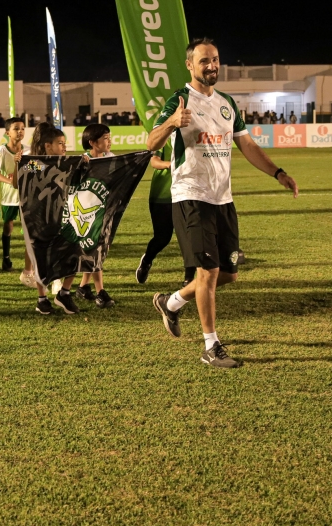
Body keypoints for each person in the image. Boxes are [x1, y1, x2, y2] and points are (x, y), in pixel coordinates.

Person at [146, 38, 298, 368]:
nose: (212, 65)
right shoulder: (179, 100)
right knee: (208, 271)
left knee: (228, 274)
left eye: (215, 59)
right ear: (190, 65)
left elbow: (248, 146)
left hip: (222, 198)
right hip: (190, 196)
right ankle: (211, 347)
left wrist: (278, 173)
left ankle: (171, 303)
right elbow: (150, 142)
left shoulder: (227, 103)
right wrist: (171, 123)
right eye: (204, 61)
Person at [23, 123, 83, 315]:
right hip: (38, 218)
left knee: (76, 249)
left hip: (62, 217)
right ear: (48, 146)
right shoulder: (35, 162)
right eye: (60, 143)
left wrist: (84, 163)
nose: (64, 147)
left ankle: (64, 293)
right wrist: (20, 163)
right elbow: (19, 181)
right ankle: (42, 299)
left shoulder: (66, 162)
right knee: (41, 258)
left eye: (64, 143)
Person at [135, 141, 198, 287]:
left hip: (188, 194)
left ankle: (188, 278)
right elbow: (154, 161)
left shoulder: (195, 136)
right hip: (163, 195)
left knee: (190, 236)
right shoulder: (165, 137)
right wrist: (171, 165)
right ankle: (147, 260)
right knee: (162, 238)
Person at [75, 123, 116, 308]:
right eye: (105, 138)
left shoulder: (111, 158)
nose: (109, 141)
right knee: (95, 250)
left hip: (105, 212)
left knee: (99, 250)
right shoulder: (83, 161)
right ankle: (101, 292)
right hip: (87, 215)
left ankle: (83, 287)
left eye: (109, 137)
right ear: (92, 142)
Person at [0, 116, 26, 272]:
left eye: (22, 128)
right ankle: (6, 258)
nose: (20, 132)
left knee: (29, 228)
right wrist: (10, 181)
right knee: (8, 226)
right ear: (7, 133)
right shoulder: (1, 151)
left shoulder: (28, 150)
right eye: (16, 129)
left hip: (26, 196)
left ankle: (31, 262)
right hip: (10, 197)